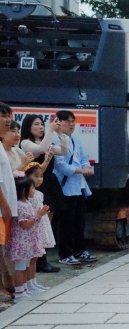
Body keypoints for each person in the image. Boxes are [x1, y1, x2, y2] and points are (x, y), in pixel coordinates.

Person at [19, 113, 65, 274]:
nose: (41, 127)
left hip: (49, 183)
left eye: (42, 124)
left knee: (47, 223)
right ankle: (38, 260)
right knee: (38, 223)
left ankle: (42, 259)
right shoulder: (26, 143)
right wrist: (51, 131)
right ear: (28, 127)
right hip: (36, 186)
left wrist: (60, 134)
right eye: (36, 124)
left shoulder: (46, 142)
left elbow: (64, 151)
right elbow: (40, 149)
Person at [52, 111, 98, 266]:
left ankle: (80, 250)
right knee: (66, 222)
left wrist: (87, 167)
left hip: (79, 186)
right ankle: (65, 254)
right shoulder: (55, 140)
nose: (71, 124)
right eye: (67, 121)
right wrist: (80, 171)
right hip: (65, 187)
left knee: (79, 221)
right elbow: (61, 166)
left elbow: (84, 157)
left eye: (73, 121)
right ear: (58, 122)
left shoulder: (75, 140)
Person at [8, 178, 47, 301]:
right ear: (24, 190)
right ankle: (19, 292)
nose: (34, 190)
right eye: (32, 188)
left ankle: (26, 288)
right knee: (20, 267)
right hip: (22, 242)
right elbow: (24, 224)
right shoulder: (20, 206)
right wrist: (38, 215)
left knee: (25, 266)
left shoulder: (27, 203)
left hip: (28, 241)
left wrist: (39, 214)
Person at [24, 163, 54, 290]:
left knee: (35, 257)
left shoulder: (39, 193)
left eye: (41, 176)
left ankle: (33, 282)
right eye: (36, 176)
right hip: (33, 226)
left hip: (40, 225)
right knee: (30, 258)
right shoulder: (27, 195)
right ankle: (27, 284)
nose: (39, 179)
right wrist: (39, 214)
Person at [0, 104, 17, 301]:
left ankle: (6, 282)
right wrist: (4, 204)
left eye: (8, 116)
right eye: (3, 116)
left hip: (6, 207)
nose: (7, 120)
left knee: (3, 247)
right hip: (1, 207)